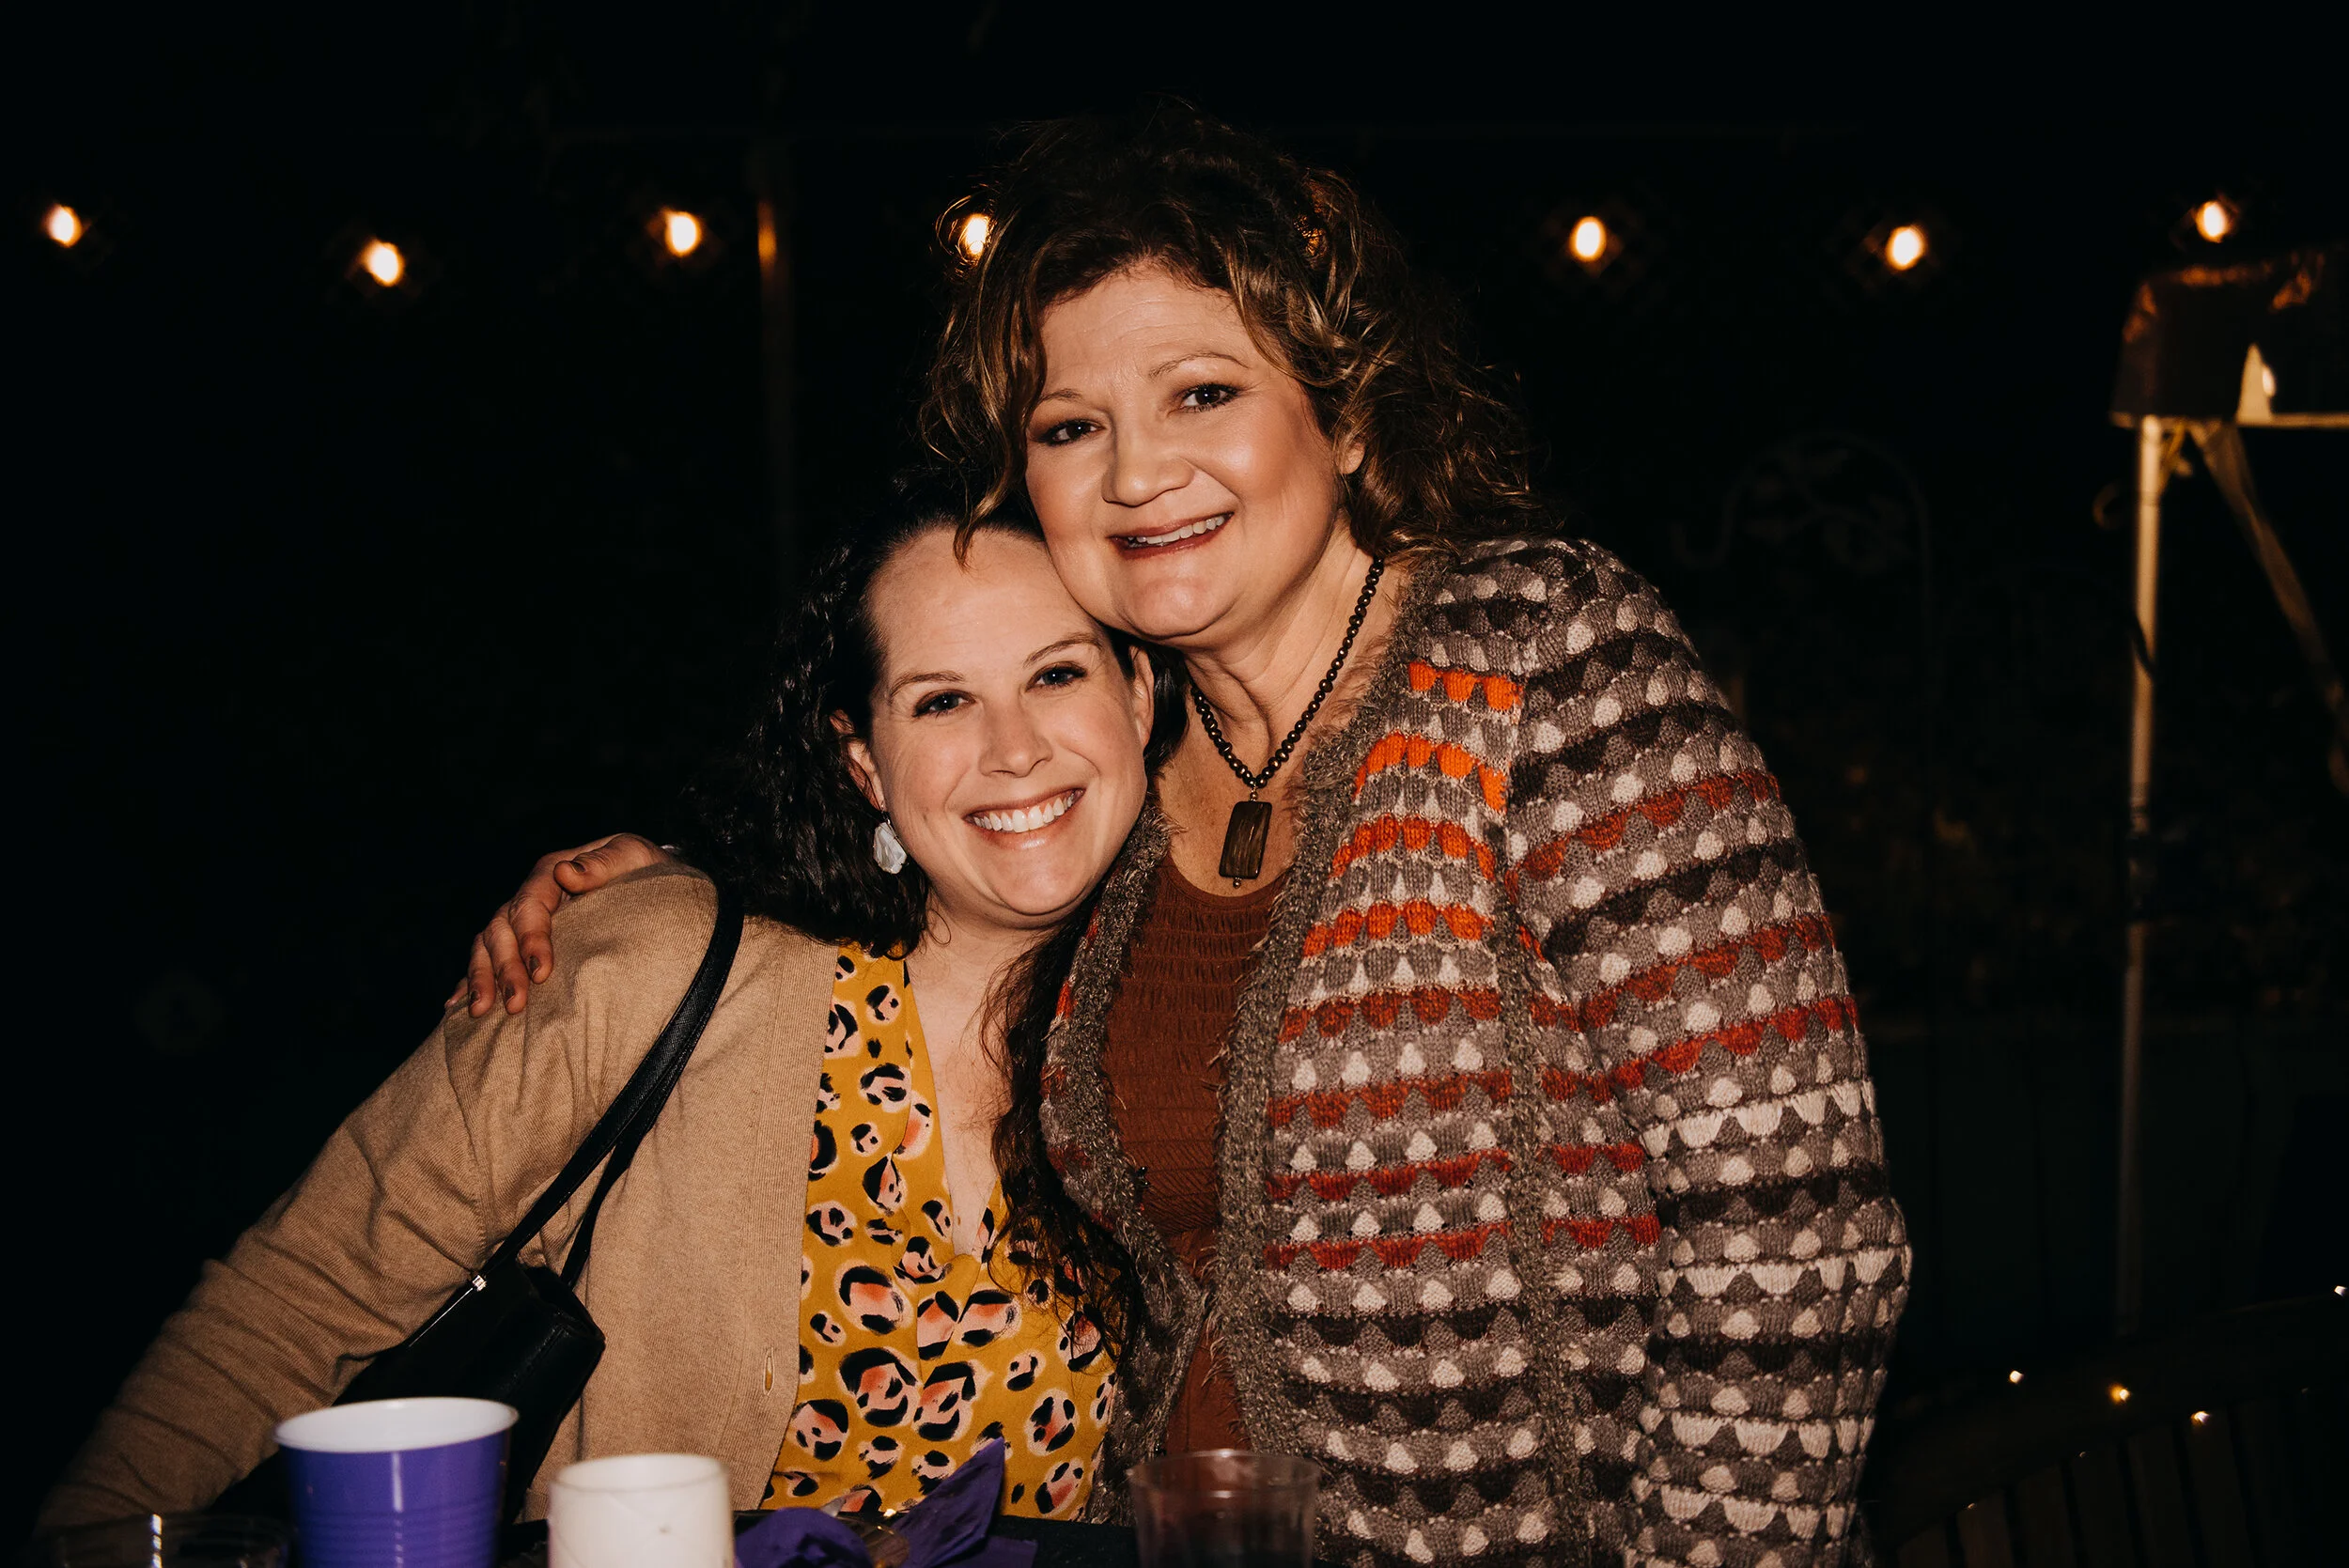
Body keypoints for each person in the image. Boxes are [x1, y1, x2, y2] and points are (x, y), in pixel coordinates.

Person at [465, 106, 1910, 1567]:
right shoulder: (1128, 758)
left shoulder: (1544, 657)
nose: (1137, 473)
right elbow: (926, 876)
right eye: (1070, 427)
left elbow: (1797, 1233)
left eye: (1202, 393)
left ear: (1348, 413)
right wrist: (664, 895)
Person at [42, 492, 1172, 1529]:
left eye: (1055, 675)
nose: (1014, 748)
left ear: (1138, 692)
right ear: (865, 763)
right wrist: (91, 1542)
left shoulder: (1186, 1045)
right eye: (942, 700)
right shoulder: (659, 969)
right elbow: (296, 1301)